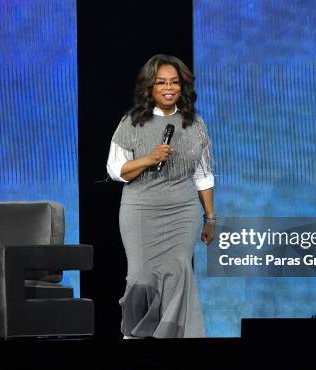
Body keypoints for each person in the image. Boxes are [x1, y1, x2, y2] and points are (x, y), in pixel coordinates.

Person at [106, 54, 216, 338]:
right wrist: (148, 158)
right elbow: (117, 170)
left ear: (183, 87)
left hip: (183, 210)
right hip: (140, 209)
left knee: (178, 271)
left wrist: (211, 218)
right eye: (161, 82)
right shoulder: (131, 123)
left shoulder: (195, 124)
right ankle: (136, 336)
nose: (169, 88)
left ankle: (173, 340)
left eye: (175, 82)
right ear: (150, 88)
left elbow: (203, 176)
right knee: (141, 275)